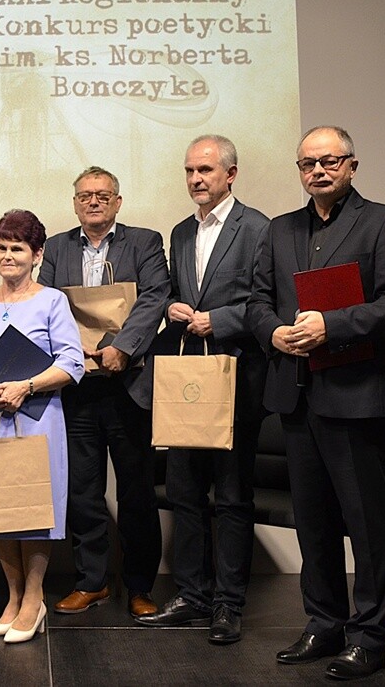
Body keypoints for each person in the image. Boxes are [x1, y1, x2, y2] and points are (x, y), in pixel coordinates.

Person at [247, 126, 385, 680]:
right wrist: (273, 332)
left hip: (356, 395)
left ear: (352, 165)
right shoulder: (280, 229)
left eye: (330, 161)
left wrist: (331, 326)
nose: (318, 171)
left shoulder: (383, 221)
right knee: (313, 523)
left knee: (366, 526)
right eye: (308, 163)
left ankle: (370, 637)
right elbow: (257, 301)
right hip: (296, 396)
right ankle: (324, 623)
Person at [136, 135, 269, 644]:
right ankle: (192, 595)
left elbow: (267, 301)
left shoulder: (257, 228)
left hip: (236, 377)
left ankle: (228, 605)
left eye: (206, 170)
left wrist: (222, 319)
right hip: (187, 378)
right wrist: (171, 305)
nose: (196, 179)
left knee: (232, 497)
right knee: (185, 492)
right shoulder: (180, 231)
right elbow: (176, 290)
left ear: (230, 175)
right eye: (190, 170)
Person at [38, 166, 171, 619]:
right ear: (75, 203)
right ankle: (91, 582)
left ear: (117, 202)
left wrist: (122, 348)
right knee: (83, 491)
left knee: (136, 493)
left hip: (129, 387)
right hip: (77, 389)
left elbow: (155, 298)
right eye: (85, 196)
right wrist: (73, 353)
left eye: (102, 195)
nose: (93, 202)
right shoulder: (56, 246)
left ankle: (139, 587)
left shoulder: (145, 242)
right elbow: (47, 304)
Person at [0, 210, 85, 644]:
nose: (8, 256)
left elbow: (72, 362)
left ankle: (34, 599)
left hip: (36, 417)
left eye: (17, 248)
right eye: (2, 247)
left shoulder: (52, 301)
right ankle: (12, 599)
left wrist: (25, 386)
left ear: (37, 254)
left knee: (33, 510)